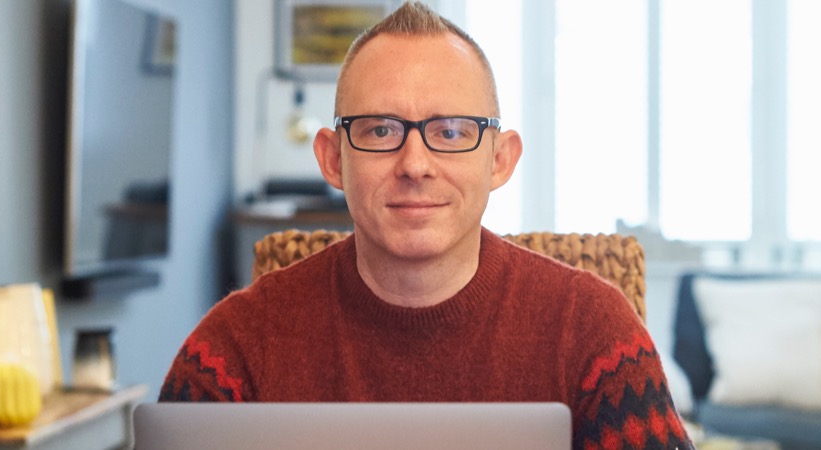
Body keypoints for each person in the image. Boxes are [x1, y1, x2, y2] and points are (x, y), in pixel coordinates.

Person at [158, 2, 694, 449]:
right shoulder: (235, 349)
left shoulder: (592, 330)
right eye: (381, 129)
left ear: (500, 159)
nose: (415, 163)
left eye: (453, 131)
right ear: (333, 160)